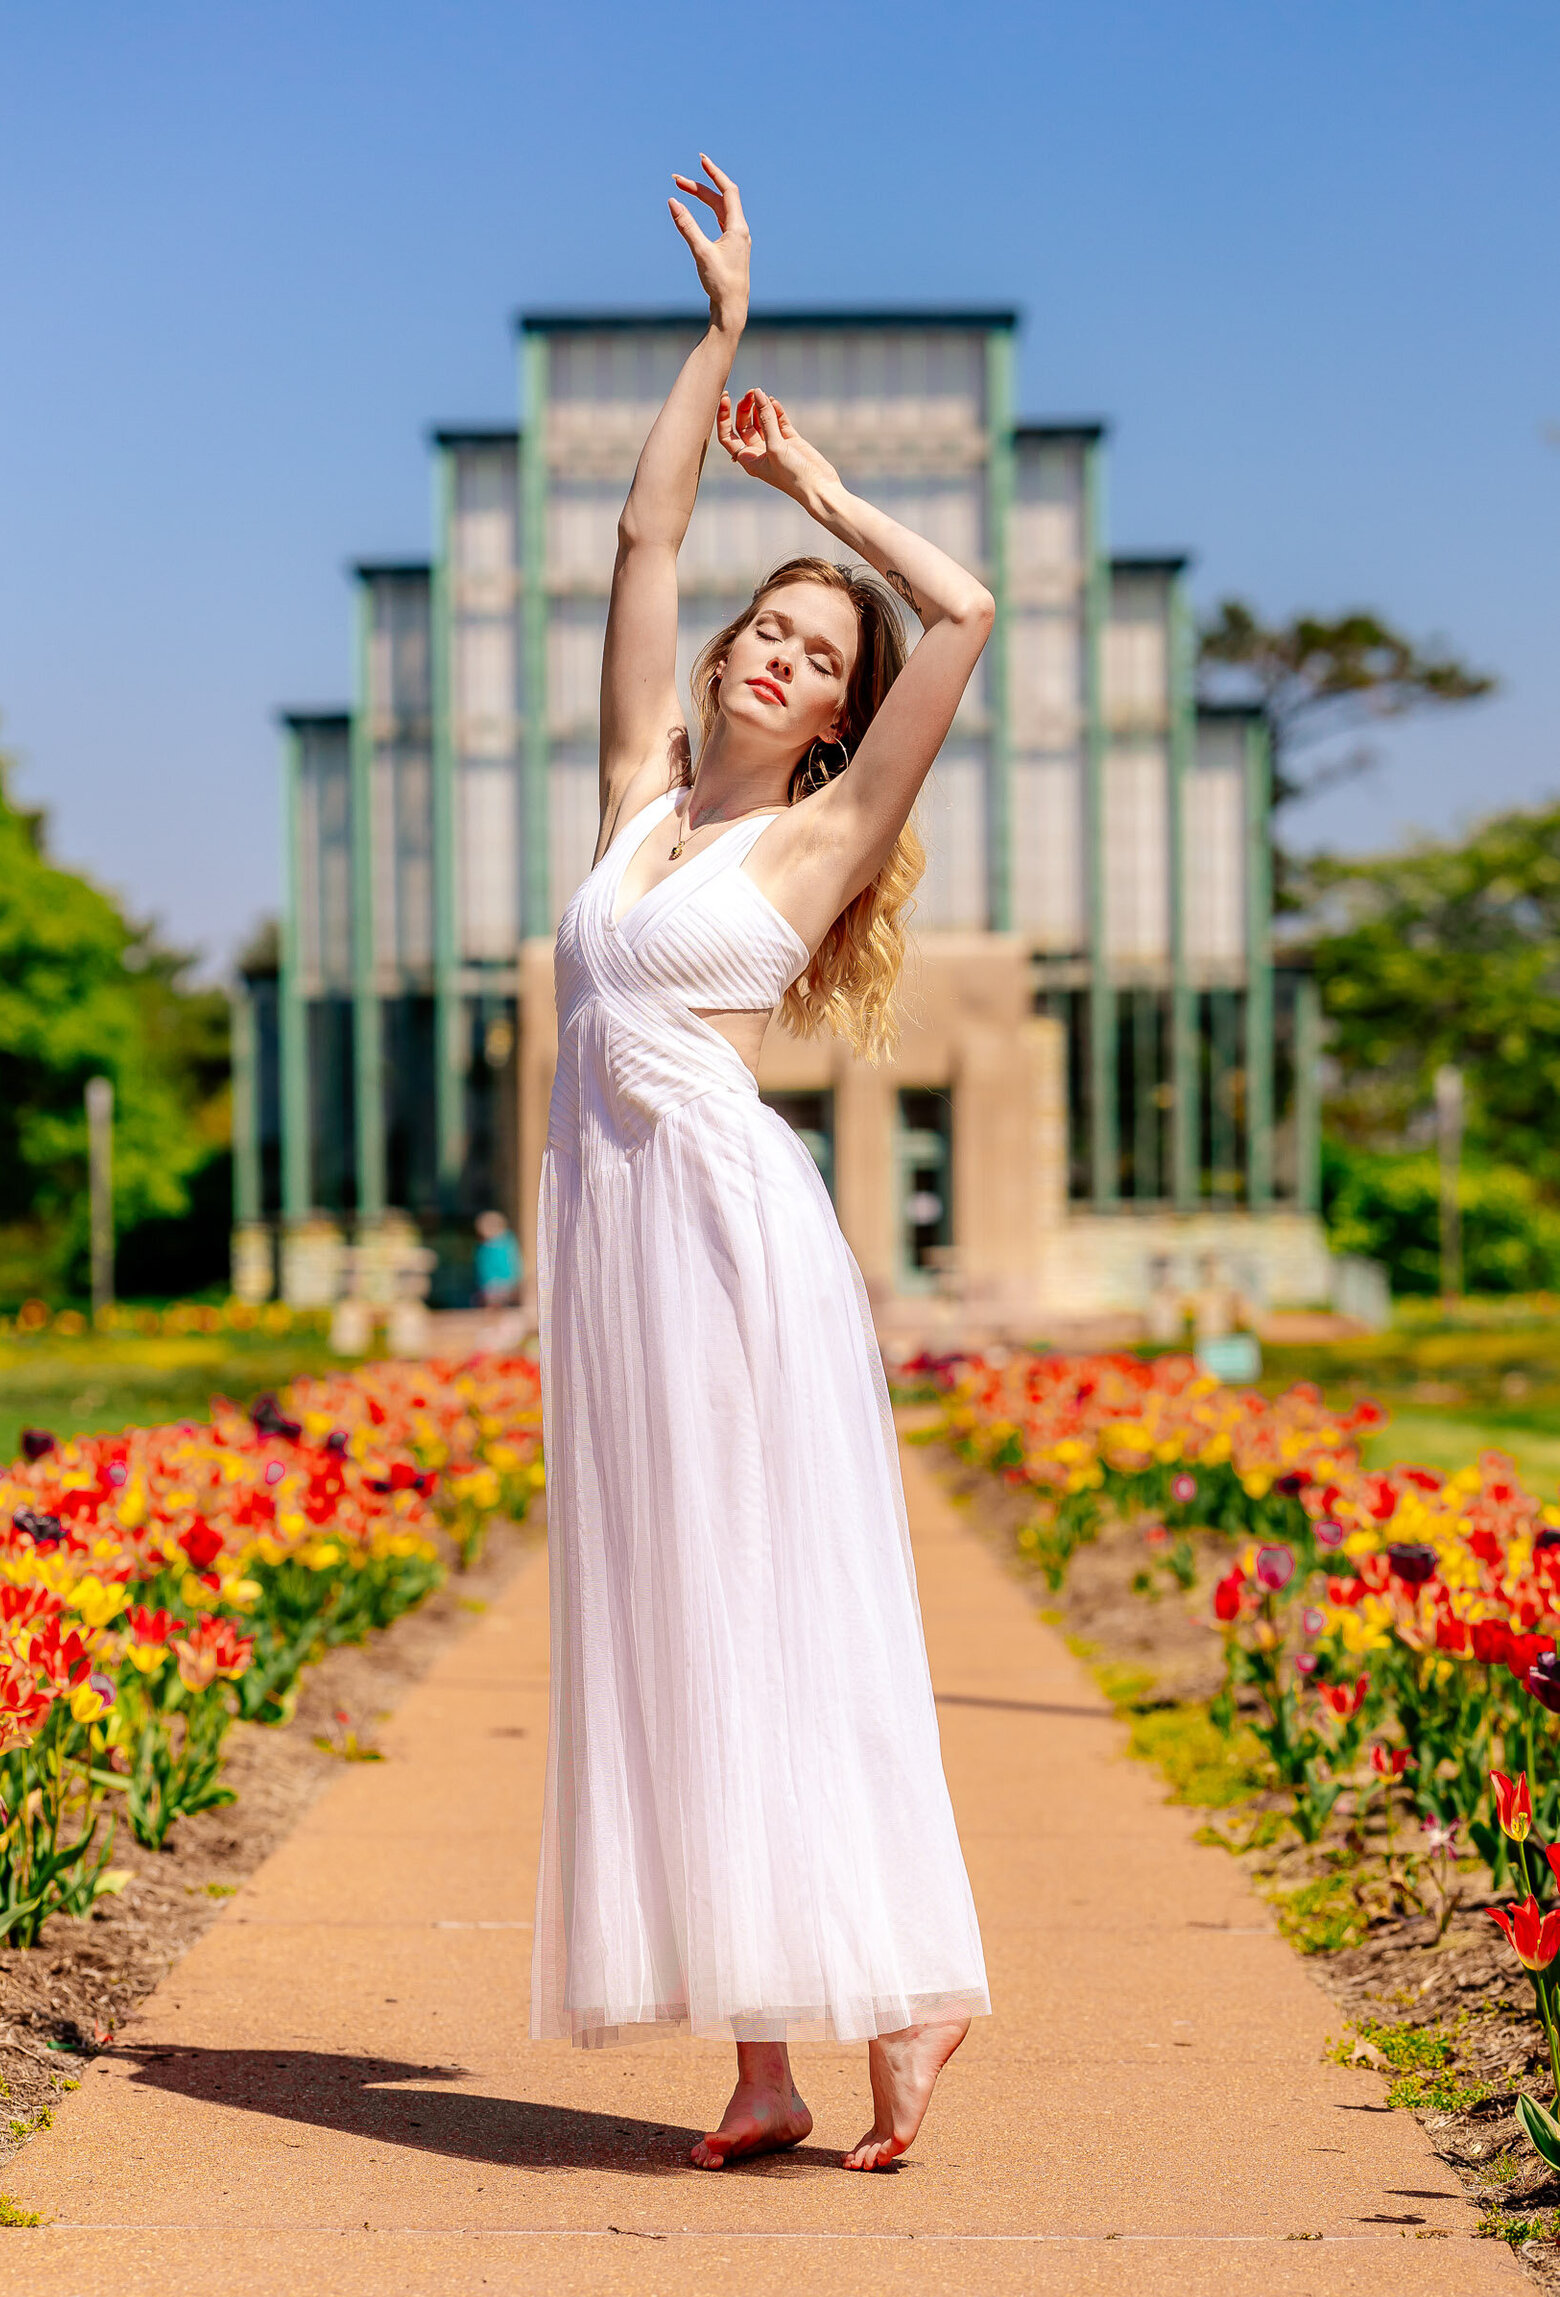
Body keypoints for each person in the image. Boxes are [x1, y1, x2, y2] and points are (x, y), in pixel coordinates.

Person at [533, 155, 994, 2173]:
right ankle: (760, 2061)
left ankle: (903, 1993)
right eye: (772, 629)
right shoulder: (635, 794)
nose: (785, 654)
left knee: (768, 1612)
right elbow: (642, 529)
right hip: (614, 1249)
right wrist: (714, 343)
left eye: (819, 657)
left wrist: (824, 509)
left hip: (728, 1244)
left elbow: (960, 611)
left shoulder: (809, 844)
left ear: (829, 735)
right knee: (667, 1620)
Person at [474, 1210, 524, 1310]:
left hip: (504, 1285)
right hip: (491, 1286)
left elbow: (513, 1265)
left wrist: (514, 1282)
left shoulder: (505, 1244)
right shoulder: (485, 1247)